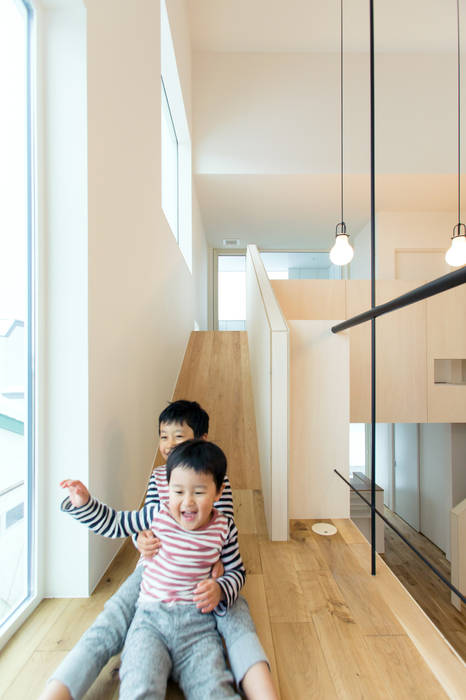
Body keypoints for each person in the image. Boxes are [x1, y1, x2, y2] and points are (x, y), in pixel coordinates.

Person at [40, 400, 277, 700]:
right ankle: (59, 688)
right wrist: (91, 508)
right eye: (164, 436)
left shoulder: (219, 498)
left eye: (179, 437)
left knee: (229, 629)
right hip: (154, 576)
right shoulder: (160, 489)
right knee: (118, 624)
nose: (169, 444)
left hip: (200, 591)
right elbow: (123, 522)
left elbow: (226, 539)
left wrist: (221, 579)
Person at [61, 439, 245, 699]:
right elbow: (115, 523)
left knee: (214, 688)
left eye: (199, 492)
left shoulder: (224, 528)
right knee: (139, 683)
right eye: (178, 492)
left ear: (218, 492)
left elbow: (237, 572)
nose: (187, 502)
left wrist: (220, 588)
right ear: (167, 489)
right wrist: (85, 503)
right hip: (149, 622)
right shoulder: (157, 515)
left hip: (198, 627)